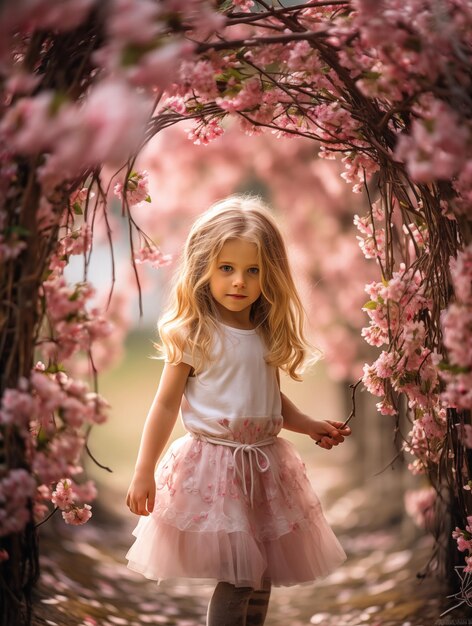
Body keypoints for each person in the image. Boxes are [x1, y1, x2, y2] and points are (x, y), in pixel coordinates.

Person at [125, 195, 351, 626]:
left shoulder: (264, 330)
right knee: (238, 577)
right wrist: (144, 470)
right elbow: (166, 403)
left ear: (271, 274)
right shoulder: (195, 333)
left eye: (253, 270)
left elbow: (267, 398)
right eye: (226, 268)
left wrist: (308, 426)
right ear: (203, 268)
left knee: (260, 573)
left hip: (265, 464)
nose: (238, 282)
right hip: (217, 465)